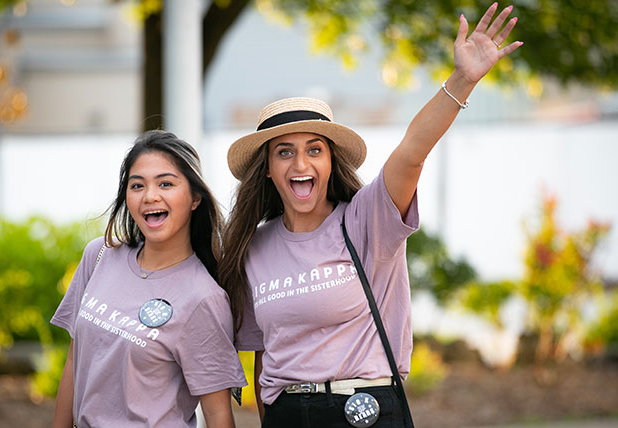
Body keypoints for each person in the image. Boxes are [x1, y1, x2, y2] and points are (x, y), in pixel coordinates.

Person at [220, 3, 522, 427]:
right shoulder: (255, 246)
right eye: (284, 152)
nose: (300, 164)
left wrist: (462, 80)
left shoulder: (366, 220)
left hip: (363, 411)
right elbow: (263, 356)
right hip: (287, 415)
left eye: (314, 150)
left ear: (330, 162)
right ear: (268, 169)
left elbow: (412, 153)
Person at [51, 130, 247, 428]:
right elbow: (74, 362)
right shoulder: (100, 257)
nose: (150, 196)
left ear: (195, 198)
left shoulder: (203, 297)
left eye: (166, 183)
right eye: (137, 185)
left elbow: (218, 415)